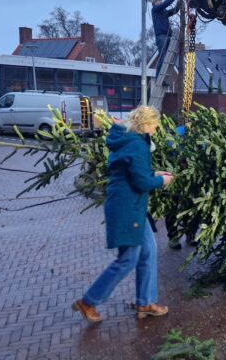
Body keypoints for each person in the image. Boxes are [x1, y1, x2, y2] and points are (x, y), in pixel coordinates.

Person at [72, 106, 175, 323]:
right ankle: (89, 301)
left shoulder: (129, 140)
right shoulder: (137, 145)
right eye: (155, 125)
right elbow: (141, 182)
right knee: (128, 259)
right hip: (128, 209)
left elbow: (132, 171)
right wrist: (161, 181)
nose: (156, 130)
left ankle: (145, 302)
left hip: (132, 207)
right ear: (145, 124)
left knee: (149, 251)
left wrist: (153, 172)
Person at [166, 123, 198, 250]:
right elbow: (169, 150)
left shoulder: (202, 134)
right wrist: (180, 161)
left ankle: (191, 235)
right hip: (175, 175)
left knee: (193, 207)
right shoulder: (177, 133)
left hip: (193, 177)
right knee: (172, 207)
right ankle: (173, 237)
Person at [151, 0, 181, 76]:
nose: (161, 2)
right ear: (155, 3)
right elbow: (164, 4)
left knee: (168, 57)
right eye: (159, 1)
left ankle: (164, 76)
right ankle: (158, 77)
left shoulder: (163, 12)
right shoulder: (155, 10)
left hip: (167, 36)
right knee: (162, 57)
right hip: (161, 36)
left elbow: (173, 11)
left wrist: (179, 3)